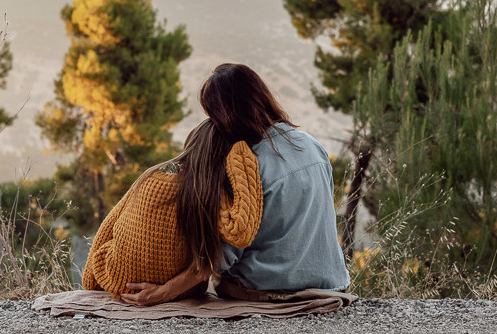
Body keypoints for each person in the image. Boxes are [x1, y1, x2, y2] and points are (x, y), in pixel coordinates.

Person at [122, 63, 349, 305]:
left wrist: (161, 293)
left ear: (224, 116)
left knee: (221, 278)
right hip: (333, 283)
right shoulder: (312, 145)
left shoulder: (246, 168)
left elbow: (219, 259)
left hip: (274, 289)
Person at [82, 119, 263, 300]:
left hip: (118, 281)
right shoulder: (210, 193)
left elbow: (108, 226)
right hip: (177, 290)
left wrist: (90, 282)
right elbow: (237, 233)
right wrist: (243, 159)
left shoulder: (151, 174)